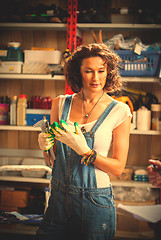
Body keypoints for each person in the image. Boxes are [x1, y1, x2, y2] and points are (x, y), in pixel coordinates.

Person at [37, 43, 132, 240]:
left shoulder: (119, 111)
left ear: (109, 73)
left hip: (95, 201)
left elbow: (118, 168)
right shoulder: (60, 104)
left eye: (101, 71)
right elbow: (52, 158)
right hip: (58, 197)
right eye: (88, 71)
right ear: (78, 73)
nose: (95, 78)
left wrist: (86, 152)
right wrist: (46, 145)